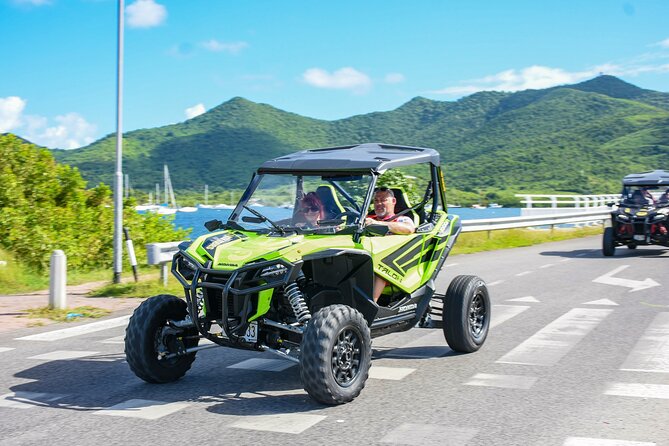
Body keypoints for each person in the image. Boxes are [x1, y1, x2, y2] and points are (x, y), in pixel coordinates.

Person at [364, 187, 416, 303]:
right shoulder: (368, 219)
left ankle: (371, 306)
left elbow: (409, 229)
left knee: (380, 266)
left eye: (383, 200)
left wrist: (378, 224)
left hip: (390, 267)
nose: (379, 204)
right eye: (376, 201)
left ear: (393, 201)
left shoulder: (401, 219)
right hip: (365, 259)